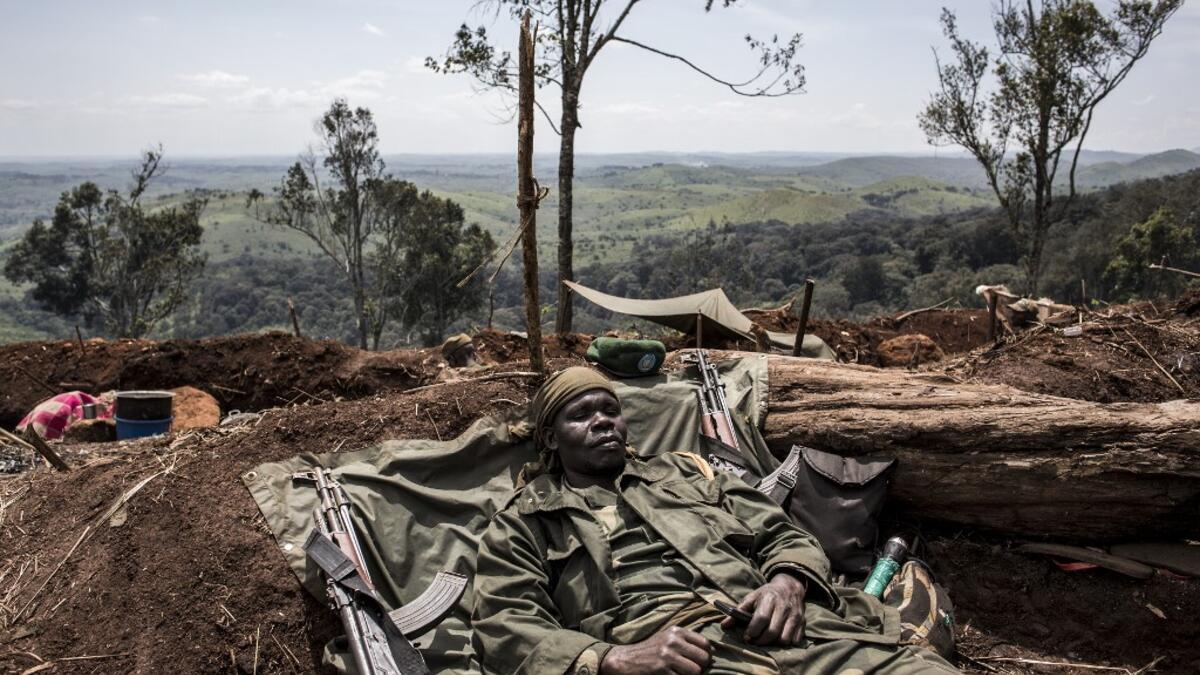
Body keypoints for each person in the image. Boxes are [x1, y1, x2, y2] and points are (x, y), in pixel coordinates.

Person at [471, 366, 960, 674]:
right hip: (669, 652)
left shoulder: (689, 473)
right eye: (581, 415)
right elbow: (505, 623)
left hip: (785, 629)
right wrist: (614, 659)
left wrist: (787, 584)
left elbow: (781, 533)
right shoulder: (523, 521)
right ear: (551, 440)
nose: (603, 421)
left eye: (611, 410)